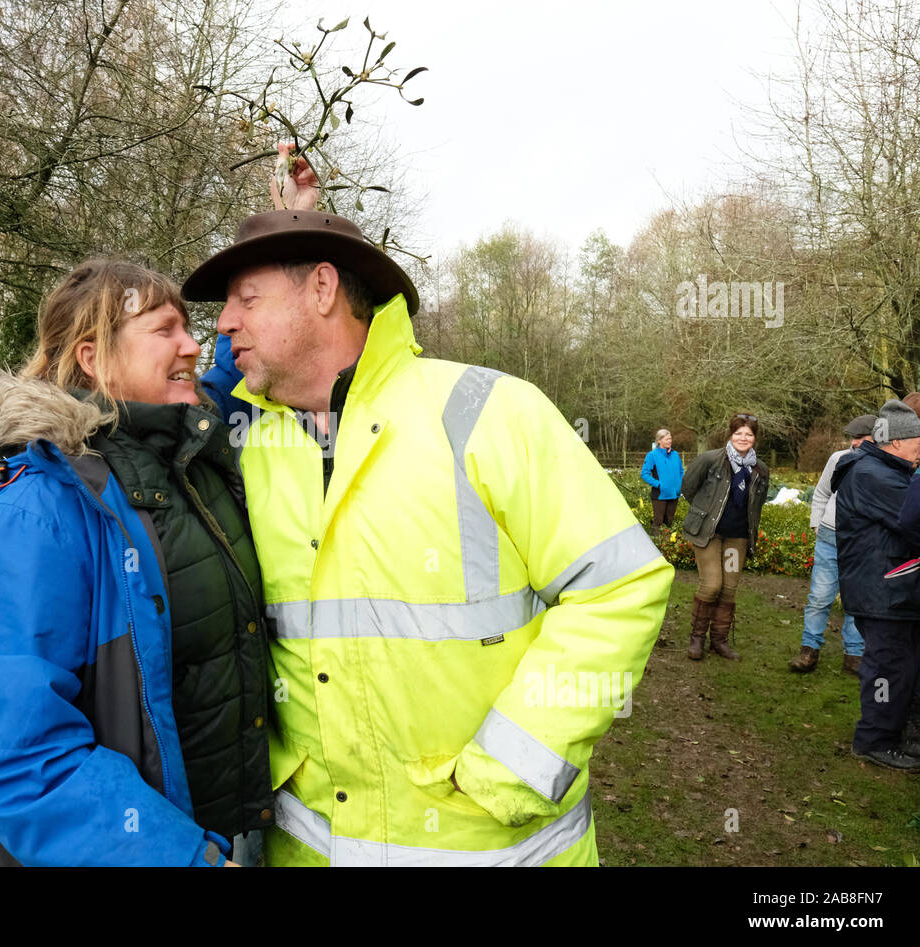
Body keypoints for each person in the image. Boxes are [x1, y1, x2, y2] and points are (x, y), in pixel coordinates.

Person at [183, 180, 673, 867]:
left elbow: (618, 587)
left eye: (247, 299)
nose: (225, 322)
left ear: (322, 288)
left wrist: (514, 765)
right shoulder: (240, 439)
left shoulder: (491, 410)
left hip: (496, 846)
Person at [0, 260, 272, 866]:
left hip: (226, 832)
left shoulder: (177, 455)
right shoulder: (34, 513)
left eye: (191, 329)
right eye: (166, 330)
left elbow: (218, 377)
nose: (191, 345)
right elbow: (23, 760)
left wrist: (287, 226)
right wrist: (185, 858)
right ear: (93, 358)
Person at [833, 399, 920, 772]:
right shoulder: (874, 475)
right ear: (896, 442)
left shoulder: (885, 469)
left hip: (895, 588)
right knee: (887, 668)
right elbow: (917, 520)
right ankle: (874, 740)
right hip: (882, 590)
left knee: (903, 666)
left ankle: (900, 732)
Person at [677, 414, 771, 662]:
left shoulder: (760, 469)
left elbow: (757, 505)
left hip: (736, 539)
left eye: (749, 434)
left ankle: (719, 640)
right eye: (739, 433)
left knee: (729, 589)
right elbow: (688, 487)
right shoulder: (710, 460)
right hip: (708, 534)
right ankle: (697, 638)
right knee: (711, 585)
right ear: (730, 434)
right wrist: (704, 511)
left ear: (755, 438)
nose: (743, 438)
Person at [789, 415, 874, 675]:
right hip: (830, 536)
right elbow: (822, 492)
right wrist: (817, 523)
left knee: (856, 600)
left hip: (862, 541)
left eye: (861, 437)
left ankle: (854, 654)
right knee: (820, 597)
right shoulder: (838, 459)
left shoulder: (880, 463)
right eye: (853, 437)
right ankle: (809, 650)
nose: (854, 441)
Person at [641, 428, 684, 534]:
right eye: (667, 439)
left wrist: (680, 485)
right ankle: (655, 543)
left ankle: (666, 544)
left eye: (670, 439)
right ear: (659, 441)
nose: (670, 441)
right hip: (660, 494)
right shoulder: (652, 455)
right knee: (658, 521)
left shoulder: (675, 454)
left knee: (669, 521)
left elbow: (681, 471)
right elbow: (644, 474)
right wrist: (659, 484)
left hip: (674, 494)